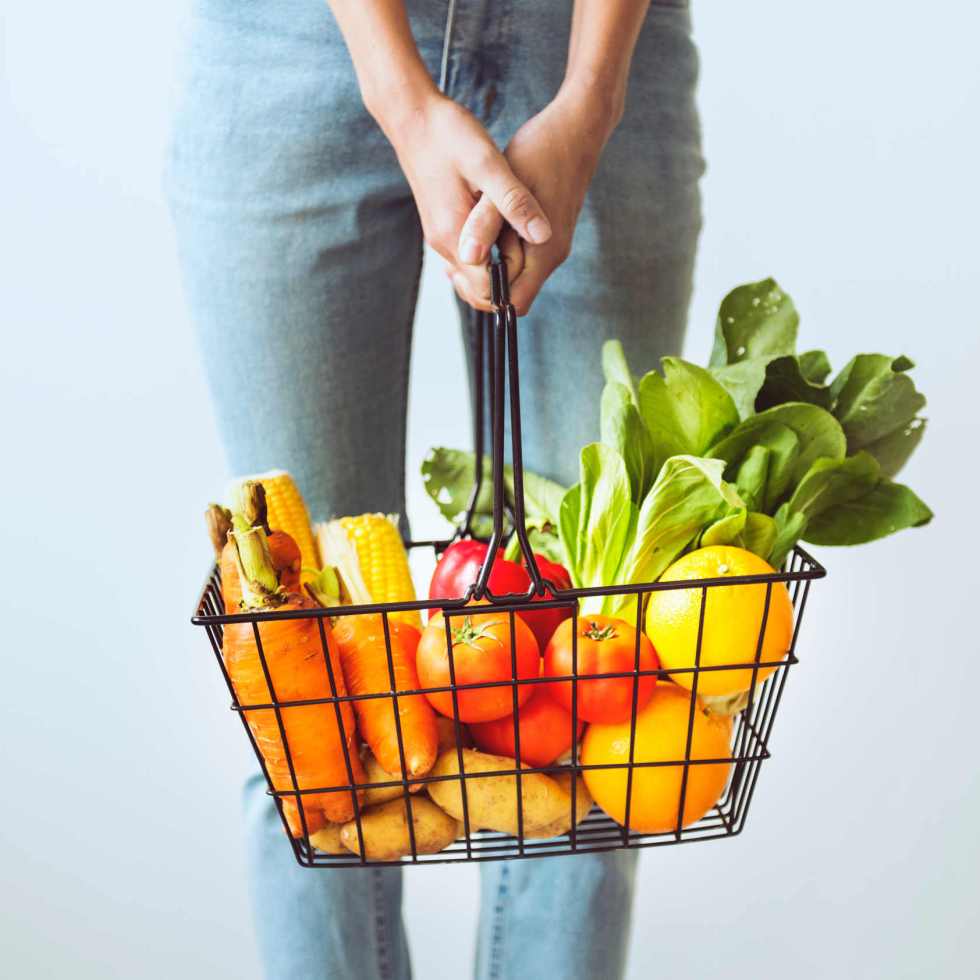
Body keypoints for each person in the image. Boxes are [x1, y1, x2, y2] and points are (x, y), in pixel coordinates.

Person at [167, 1, 703, 977]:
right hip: (295, 43)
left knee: (602, 699)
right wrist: (396, 92)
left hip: (591, 43)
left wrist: (590, 96)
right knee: (308, 715)